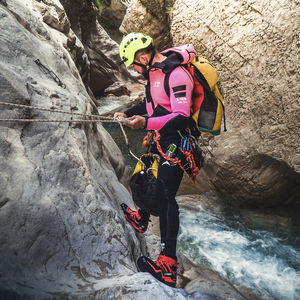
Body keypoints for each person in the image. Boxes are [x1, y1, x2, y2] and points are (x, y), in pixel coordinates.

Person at [114, 32, 196, 287]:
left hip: (178, 142)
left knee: (167, 196)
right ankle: (142, 217)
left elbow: (182, 115)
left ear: (143, 56)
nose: (135, 71)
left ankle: (168, 264)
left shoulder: (177, 74)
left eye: (134, 65)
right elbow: (151, 104)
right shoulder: (154, 73)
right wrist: (127, 112)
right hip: (160, 137)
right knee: (146, 173)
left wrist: (146, 123)